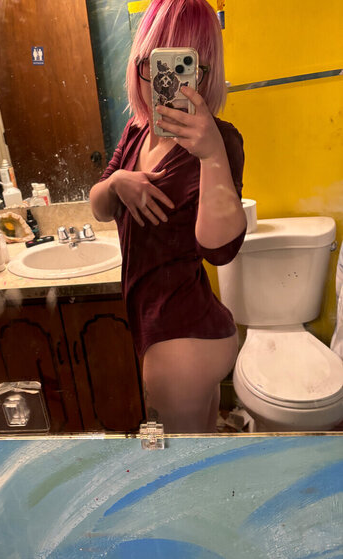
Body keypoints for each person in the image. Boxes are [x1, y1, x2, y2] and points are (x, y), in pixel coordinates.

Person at [89, 0, 247, 433]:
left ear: (204, 72)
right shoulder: (136, 131)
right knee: (204, 449)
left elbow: (221, 250)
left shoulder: (221, 141)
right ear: (140, 64)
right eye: (155, 64)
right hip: (174, 329)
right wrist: (117, 181)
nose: (164, 82)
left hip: (182, 346)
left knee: (183, 466)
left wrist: (211, 154)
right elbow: (99, 207)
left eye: (183, 66)